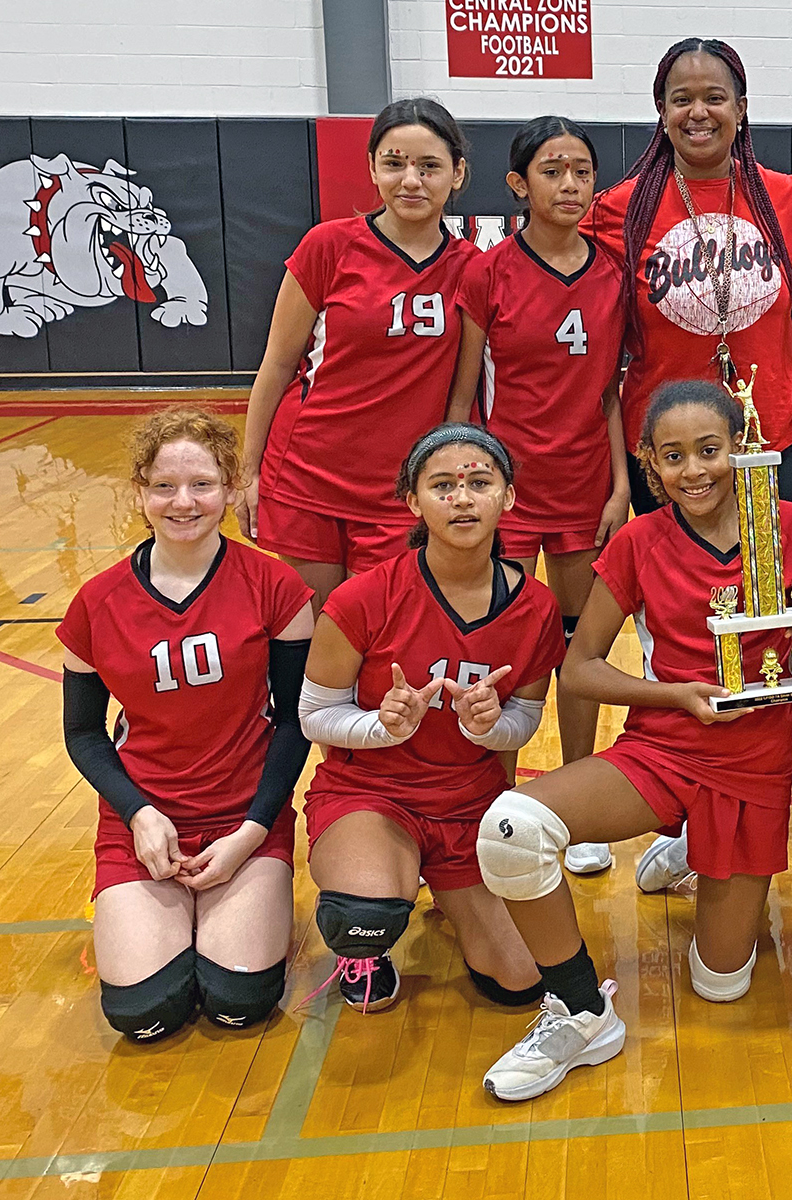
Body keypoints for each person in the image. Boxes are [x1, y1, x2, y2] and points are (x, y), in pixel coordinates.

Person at [473, 380, 792, 1101]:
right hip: (666, 749)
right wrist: (673, 696)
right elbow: (579, 671)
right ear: (649, 467)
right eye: (673, 457)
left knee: (723, 984)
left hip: (756, 764)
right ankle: (581, 1011)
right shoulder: (639, 540)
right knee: (511, 829)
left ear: (743, 447)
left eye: (710, 450)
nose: (694, 470)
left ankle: (692, 849)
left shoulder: (788, 523)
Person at [60, 407, 313, 1042]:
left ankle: (241, 900)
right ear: (140, 493)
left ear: (231, 488)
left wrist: (254, 831)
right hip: (145, 822)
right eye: (163, 486)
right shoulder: (96, 601)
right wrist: (138, 814)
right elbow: (84, 733)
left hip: (244, 815)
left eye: (202, 483)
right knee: (145, 1015)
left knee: (239, 1002)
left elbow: (294, 723)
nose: (183, 501)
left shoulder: (275, 584)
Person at [298, 425, 563, 1014]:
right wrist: (381, 727)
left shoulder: (537, 607)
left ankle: (444, 884)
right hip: (372, 793)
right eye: (442, 486)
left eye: (479, 483)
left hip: (470, 801)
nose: (462, 498)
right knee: (364, 916)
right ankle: (369, 935)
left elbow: (524, 718)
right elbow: (313, 715)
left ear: (509, 497)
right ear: (414, 502)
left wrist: (487, 727)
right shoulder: (362, 598)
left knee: (521, 980)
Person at [449, 115, 630, 877]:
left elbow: (615, 391)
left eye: (582, 171)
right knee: (506, 652)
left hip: (588, 486)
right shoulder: (488, 273)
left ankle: (576, 803)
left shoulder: (616, 269)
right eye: (552, 171)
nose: (569, 185)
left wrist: (622, 482)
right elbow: (463, 398)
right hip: (511, 493)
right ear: (519, 185)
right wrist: (464, 488)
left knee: (578, 650)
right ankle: (492, 797)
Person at [237, 98, 480, 608]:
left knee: (382, 634)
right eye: (394, 164)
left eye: (429, 166)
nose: (410, 180)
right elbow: (278, 367)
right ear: (372, 167)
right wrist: (250, 473)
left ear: (457, 174)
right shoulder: (328, 246)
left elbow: (463, 394)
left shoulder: (473, 268)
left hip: (402, 487)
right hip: (309, 474)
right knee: (314, 637)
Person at [586, 38, 792, 512]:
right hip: (667, 443)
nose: (699, 113)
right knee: (676, 585)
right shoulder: (619, 209)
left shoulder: (785, 197)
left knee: (774, 584)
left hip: (770, 431)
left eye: (714, 98)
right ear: (661, 109)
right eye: (682, 99)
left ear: (741, 107)